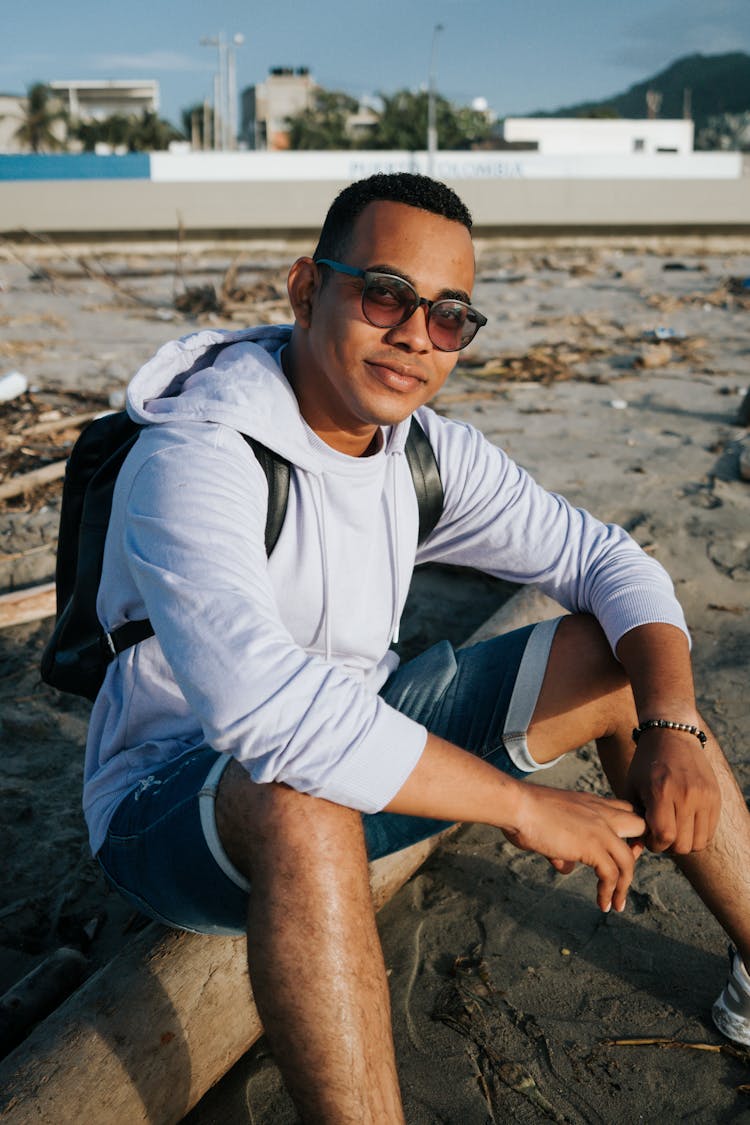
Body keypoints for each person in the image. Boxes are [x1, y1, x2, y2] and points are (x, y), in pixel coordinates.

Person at [85, 172, 750, 1122]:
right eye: (385, 295)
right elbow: (265, 714)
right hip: (172, 800)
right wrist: (522, 806)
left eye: (449, 317)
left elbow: (608, 557)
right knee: (299, 797)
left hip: (360, 751)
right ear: (307, 288)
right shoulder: (198, 452)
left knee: (619, 657)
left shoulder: (423, 451)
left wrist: (673, 721)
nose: (414, 336)